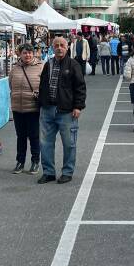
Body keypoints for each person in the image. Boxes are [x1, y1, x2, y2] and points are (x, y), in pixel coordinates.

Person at [36, 36, 86, 184]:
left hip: (66, 111)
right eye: (56, 45)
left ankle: (67, 172)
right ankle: (48, 172)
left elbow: (80, 87)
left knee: (69, 144)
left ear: (67, 47)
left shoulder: (73, 64)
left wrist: (78, 106)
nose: (59, 48)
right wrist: (42, 103)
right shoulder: (48, 64)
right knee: (45, 143)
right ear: (52, 47)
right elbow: (43, 85)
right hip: (47, 110)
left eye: (62, 45)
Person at [8, 44, 44, 174]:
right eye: (24, 53)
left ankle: (35, 161)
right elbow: (11, 85)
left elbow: (44, 87)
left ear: (33, 54)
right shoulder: (15, 69)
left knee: (34, 136)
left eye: (30, 52)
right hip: (18, 108)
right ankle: (20, 161)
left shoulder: (41, 67)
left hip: (33, 108)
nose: (27, 55)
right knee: (20, 136)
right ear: (20, 54)